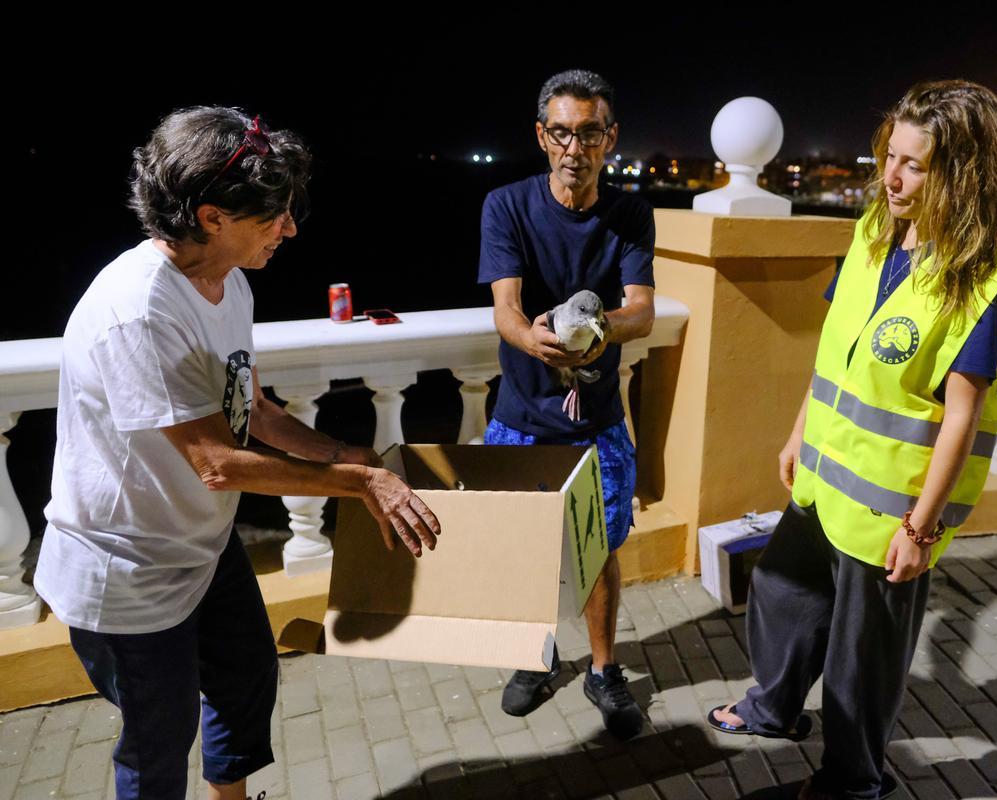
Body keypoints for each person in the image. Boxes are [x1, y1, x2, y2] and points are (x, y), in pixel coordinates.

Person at [34, 107, 441, 800]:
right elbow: (215, 460)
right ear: (213, 216)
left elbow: (247, 406)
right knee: (157, 746)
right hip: (127, 569)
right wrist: (360, 484)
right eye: (274, 215)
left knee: (247, 679)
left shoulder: (231, 282)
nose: (289, 229)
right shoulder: (138, 310)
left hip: (201, 544)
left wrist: (346, 451)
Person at [707, 81, 997, 800]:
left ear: (960, 174)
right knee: (781, 592)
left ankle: (854, 781)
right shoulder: (872, 235)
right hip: (824, 479)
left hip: (892, 509)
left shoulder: (981, 280)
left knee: (864, 660)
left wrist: (922, 528)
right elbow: (836, 356)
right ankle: (774, 707)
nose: (891, 175)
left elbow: (962, 416)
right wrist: (798, 434)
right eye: (891, 155)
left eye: (914, 165)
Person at [478, 69, 655, 739]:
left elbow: (641, 310)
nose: (574, 148)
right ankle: (534, 657)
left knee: (598, 548)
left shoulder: (630, 214)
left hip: (599, 424)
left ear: (609, 139)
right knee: (522, 549)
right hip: (520, 417)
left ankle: (604, 671)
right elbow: (505, 307)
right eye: (560, 133)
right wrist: (536, 342)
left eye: (588, 133)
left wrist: (596, 332)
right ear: (541, 137)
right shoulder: (507, 205)